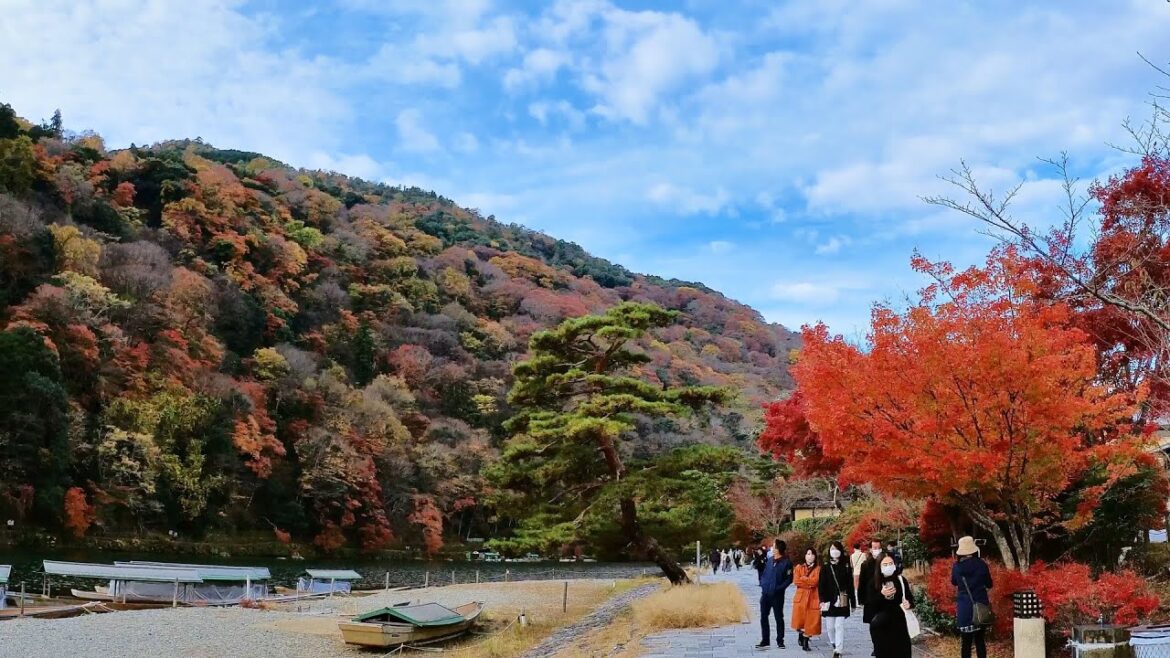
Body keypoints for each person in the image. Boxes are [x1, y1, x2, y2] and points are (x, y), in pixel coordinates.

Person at [951, 536, 992, 658]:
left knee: (966, 644)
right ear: (973, 549)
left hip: (965, 608)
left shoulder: (957, 567)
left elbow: (954, 582)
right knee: (980, 641)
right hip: (980, 607)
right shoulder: (981, 564)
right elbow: (990, 584)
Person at [868, 554, 915, 658]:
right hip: (881, 628)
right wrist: (881, 595)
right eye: (885, 564)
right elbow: (870, 606)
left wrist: (909, 604)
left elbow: (910, 598)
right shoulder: (873, 583)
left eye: (890, 563)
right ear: (879, 567)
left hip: (900, 625)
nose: (888, 566)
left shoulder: (901, 580)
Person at [820, 541, 856, 658]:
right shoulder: (825, 566)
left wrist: (853, 602)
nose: (834, 551)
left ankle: (838, 650)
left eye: (836, 548)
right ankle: (834, 643)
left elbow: (850, 584)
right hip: (829, 600)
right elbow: (822, 584)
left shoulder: (846, 565)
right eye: (832, 549)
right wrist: (822, 600)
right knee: (830, 627)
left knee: (839, 626)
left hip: (842, 599)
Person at [757, 538, 794, 649]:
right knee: (763, 616)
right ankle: (765, 639)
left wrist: (779, 588)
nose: (772, 548)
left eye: (774, 546)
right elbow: (764, 574)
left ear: (778, 549)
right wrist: (763, 584)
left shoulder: (786, 563)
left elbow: (789, 579)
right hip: (766, 594)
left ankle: (780, 640)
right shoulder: (770, 560)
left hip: (777, 595)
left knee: (778, 617)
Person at [792, 547, 823, 652]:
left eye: (812, 554)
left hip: (813, 597)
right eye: (808, 554)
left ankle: (806, 640)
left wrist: (804, 579)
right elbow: (796, 581)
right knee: (800, 620)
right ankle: (801, 634)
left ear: (815, 556)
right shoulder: (799, 567)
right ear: (805, 555)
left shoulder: (818, 569)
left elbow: (815, 582)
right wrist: (808, 581)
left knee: (811, 620)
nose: (810, 556)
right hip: (801, 597)